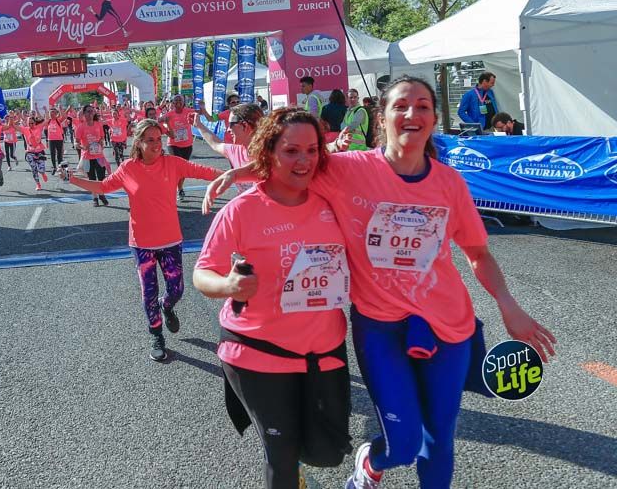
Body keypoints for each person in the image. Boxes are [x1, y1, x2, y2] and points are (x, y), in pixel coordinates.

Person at [206, 77, 557, 489]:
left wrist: (507, 305)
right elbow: (293, 164)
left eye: (423, 106)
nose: (413, 114)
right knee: (403, 444)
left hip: (449, 325)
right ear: (382, 117)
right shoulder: (345, 170)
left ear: (434, 118)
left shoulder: (450, 184)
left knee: (440, 440)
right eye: (401, 106)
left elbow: (478, 254)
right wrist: (240, 174)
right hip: (380, 325)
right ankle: (371, 465)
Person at [194, 108, 352, 489]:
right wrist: (229, 286)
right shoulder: (242, 210)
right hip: (257, 351)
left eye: (312, 150)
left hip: (325, 349)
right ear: (268, 151)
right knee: (280, 453)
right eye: (292, 151)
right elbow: (202, 273)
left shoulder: (332, 194)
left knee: (329, 451)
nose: (304, 161)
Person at [65, 119, 223, 361]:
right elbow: (104, 186)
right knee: (149, 293)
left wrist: (236, 177)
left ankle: (167, 306)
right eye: (150, 140)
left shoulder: (172, 163)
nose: (157, 144)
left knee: (176, 290)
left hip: (170, 241)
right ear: (138, 142)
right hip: (142, 244)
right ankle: (156, 333)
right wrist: (72, 179)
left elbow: (205, 172)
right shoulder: (128, 168)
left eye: (159, 139)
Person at [193, 103, 264, 195]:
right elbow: (216, 144)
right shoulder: (235, 150)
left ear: (245, 125)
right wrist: (199, 125)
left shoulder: (273, 153)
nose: (228, 129)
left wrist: (233, 174)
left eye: (231, 124)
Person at [159, 94, 197, 201]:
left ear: (183, 102)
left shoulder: (188, 111)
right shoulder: (170, 114)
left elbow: (200, 113)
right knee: (177, 168)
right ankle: (174, 188)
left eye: (180, 100)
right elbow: (158, 120)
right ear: (173, 103)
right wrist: (164, 122)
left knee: (183, 169)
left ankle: (179, 188)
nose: (178, 102)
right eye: (175, 101)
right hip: (173, 144)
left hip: (187, 145)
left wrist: (201, 108)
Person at [74, 106, 111, 207]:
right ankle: (95, 197)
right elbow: (76, 143)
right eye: (88, 111)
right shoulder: (80, 127)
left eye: (92, 111)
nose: (90, 113)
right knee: (91, 178)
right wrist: (83, 147)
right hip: (87, 157)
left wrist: (101, 143)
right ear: (84, 113)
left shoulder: (98, 124)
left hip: (99, 156)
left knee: (102, 178)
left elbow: (102, 137)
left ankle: (101, 194)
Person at [19, 116, 49, 191]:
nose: (30, 124)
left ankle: (42, 173)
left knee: (41, 169)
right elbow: (14, 126)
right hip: (30, 152)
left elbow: (47, 120)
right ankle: (38, 184)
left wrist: (46, 111)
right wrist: (11, 119)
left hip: (39, 151)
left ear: (35, 123)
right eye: (29, 123)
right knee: (34, 168)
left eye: (32, 123)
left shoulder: (39, 127)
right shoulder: (25, 129)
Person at [46, 108, 67, 175]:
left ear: (56, 114)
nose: (52, 114)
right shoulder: (48, 121)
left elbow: (64, 116)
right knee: (52, 154)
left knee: (59, 155)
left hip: (59, 139)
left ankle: (60, 168)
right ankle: (54, 168)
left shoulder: (58, 120)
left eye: (53, 113)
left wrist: (60, 109)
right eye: (50, 113)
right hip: (51, 140)